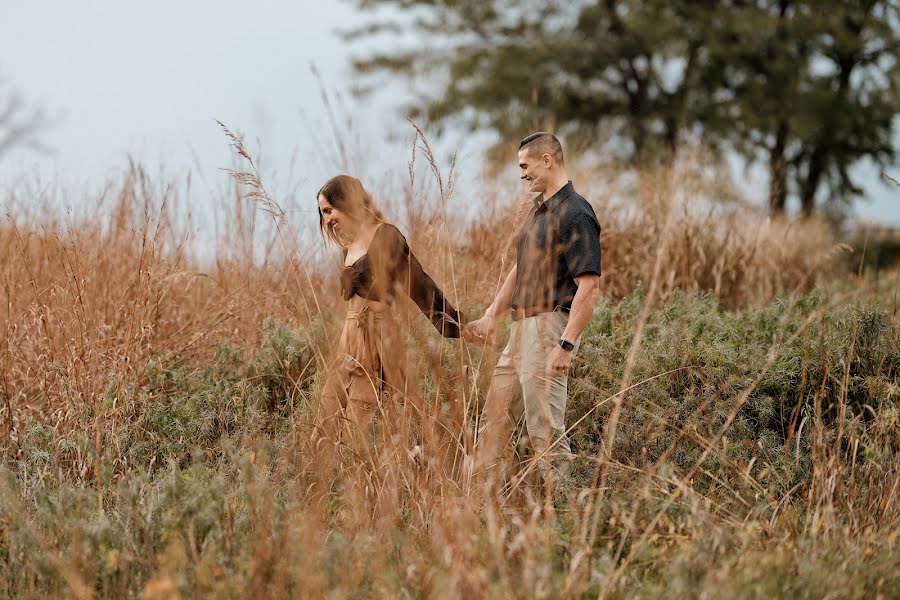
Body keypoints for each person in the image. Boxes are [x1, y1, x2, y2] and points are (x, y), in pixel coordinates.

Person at [465, 132, 601, 486]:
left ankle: (564, 519)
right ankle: (479, 508)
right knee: (494, 419)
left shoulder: (577, 212)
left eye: (524, 166)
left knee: (545, 431)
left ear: (547, 160)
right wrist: (492, 314)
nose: (521, 174)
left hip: (549, 328)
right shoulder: (538, 210)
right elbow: (519, 268)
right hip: (519, 329)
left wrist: (566, 345)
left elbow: (589, 287)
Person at [315, 174, 464, 441]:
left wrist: (455, 325)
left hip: (377, 335)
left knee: (360, 424)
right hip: (349, 337)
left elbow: (419, 284)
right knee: (327, 415)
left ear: (347, 202)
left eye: (329, 210)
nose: (327, 220)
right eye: (322, 213)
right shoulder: (348, 245)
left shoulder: (385, 235)